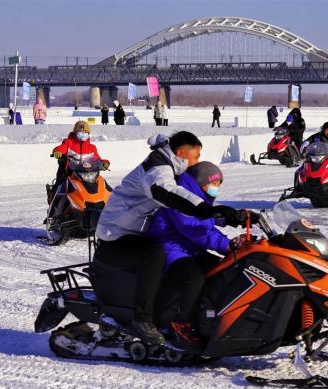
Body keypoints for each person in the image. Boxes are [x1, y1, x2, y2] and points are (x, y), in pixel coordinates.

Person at [93, 132, 251, 345]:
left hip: (134, 230)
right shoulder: (158, 171)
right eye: (195, 157)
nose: (196, 162)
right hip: (116, 234)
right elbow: (167, 193)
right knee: (153, 254)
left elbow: (189, 216)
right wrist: (208, 210)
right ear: (181, 154)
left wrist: (227, 216)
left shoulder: (168, 167)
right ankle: (144, 319)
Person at [149, 161, 246, 349]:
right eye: (214, 184)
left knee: (223, 270)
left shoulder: (199, 199)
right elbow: (196, 230)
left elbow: (207, 222)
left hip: (189, 248)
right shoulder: (182, 200)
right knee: (193, 278)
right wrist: (228, 245)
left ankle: (210, 318)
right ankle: (179, 322)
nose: (216, 189)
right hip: (171, 249)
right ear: (202, 184)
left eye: (219, 185)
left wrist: (235, 219)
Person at [50, 120, 109, 193]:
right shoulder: (69, 143)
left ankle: (112, 202)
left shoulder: (92, 147)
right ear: (75, 133)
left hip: (87, 175)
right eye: (80, 132)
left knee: (104, 185)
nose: (83, 134)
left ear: (88, 134)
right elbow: (60, 148)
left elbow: (97, 159)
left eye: (85, 132)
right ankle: (54, 202)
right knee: (59, 188)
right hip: (70, 174)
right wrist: (58, 152)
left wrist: (104, 163)